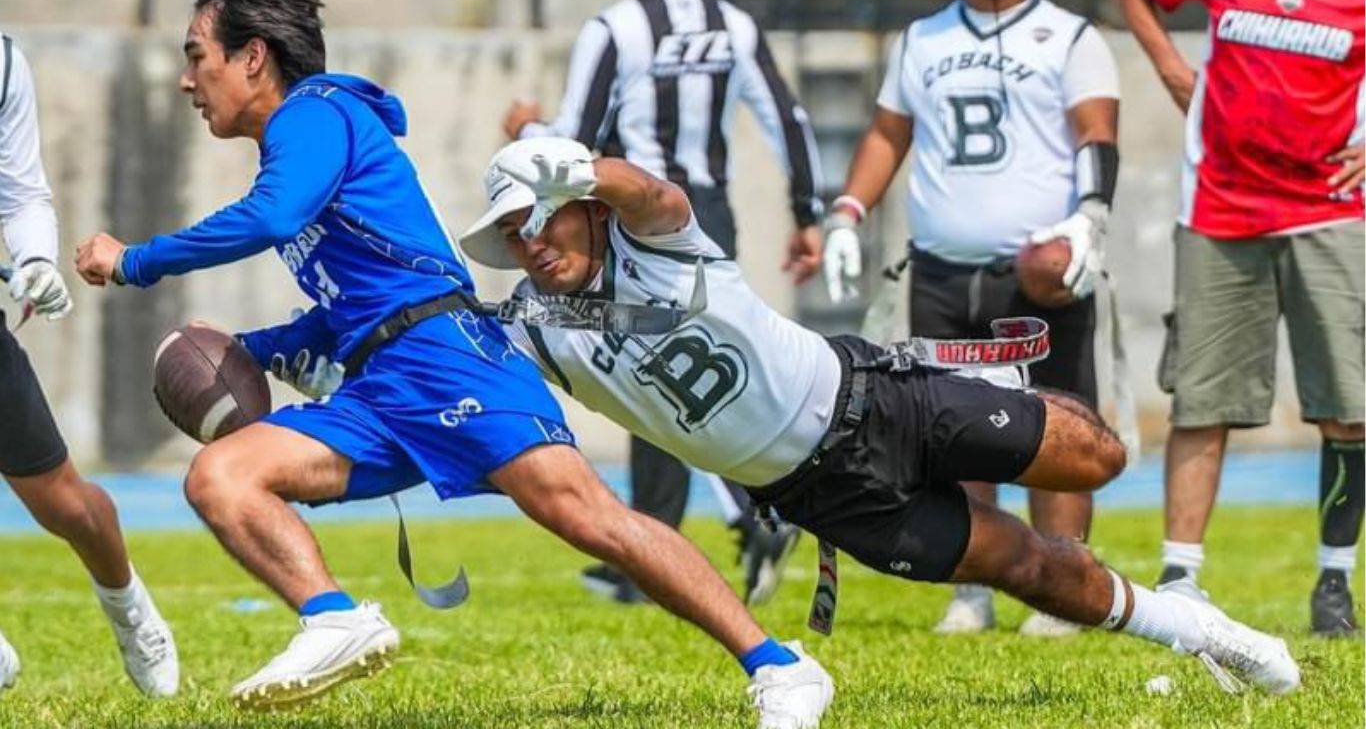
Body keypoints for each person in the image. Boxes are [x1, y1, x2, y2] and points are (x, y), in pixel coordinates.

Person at [72, 0, 832, 724]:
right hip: (380, 388)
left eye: (197, 55)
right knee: (221, 477)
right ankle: (334, 617)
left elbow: (273, 220)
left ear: (253, 57)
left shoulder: (316, 112)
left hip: (446, 355)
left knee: (594, 520)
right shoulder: (296, 143)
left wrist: (136, 260)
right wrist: (256, 346)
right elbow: (350, 300)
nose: (185, 79)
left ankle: (780, 666)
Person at [459, 135, 1302, 696]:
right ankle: (1200, 630)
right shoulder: (534, 334)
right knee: (1022, 564)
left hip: (879, 399)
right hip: (819, 493)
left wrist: (569, 167)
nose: (530, 243)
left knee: (1100, 461)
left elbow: (647, 189)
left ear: (586, 207)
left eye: (539, 219)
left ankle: (1014, 390)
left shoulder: (658, 236)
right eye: (512, 234)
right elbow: (444, 358)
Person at [502, 0, 825, 606]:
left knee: (645, 372)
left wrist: (524, 131)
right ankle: (652, 556)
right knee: (706, 361)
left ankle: (747, 516)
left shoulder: (616, 27)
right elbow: (787, 117)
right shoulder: (733, 22)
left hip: (636, 220)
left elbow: (576, 143)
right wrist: (807, 213)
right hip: (706, 211)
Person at [820, 0, 1121, 637]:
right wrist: (847, 212)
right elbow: (887, 133)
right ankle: (975, 588)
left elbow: (1095, 135)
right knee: (952, 436)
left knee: (1060, 426)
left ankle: (1068, 584)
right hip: (941, 271)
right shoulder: (920, 39)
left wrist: (1091, 215)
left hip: (1036, 267)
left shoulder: (1071, 37)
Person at [1109, 0, 1364, 635]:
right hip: (1219, 212)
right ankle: (1180, 579)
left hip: (1330, 214)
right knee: (1203, 400)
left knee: (1348, 407)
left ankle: (1334, 582)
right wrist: (1169, 67)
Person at [0, 32, 178, 697]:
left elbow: (20, 192)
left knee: (70, 506)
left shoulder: (2, 62)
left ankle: (128, 604)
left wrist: (38, 259)